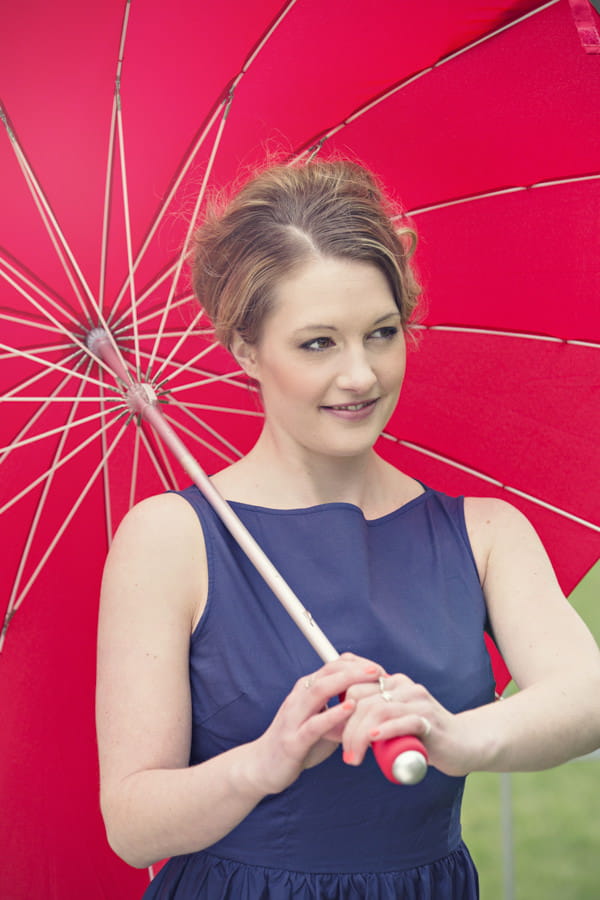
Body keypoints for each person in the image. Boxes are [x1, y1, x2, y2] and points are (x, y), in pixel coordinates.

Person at [96, 159, 600, 899]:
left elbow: (585, 695)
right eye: (318, 343)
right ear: (246, 348)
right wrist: (262, 764)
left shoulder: (485, 531)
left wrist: (456, 736)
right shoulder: (170, 540)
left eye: (381, 333)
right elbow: (132, 823)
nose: (362, 374)